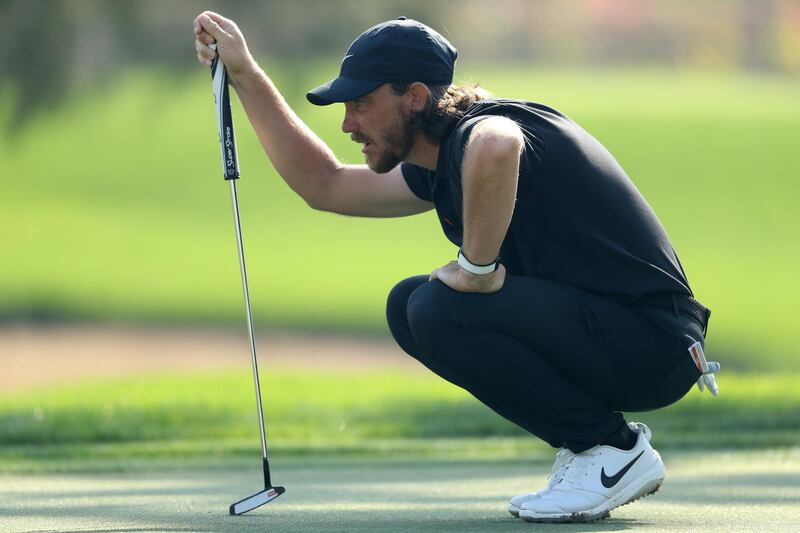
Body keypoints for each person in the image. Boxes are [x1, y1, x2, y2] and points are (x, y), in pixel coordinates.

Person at [193, 11, 718, 523]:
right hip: (618, 340)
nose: (349, 123)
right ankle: (597, 448)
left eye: (362, 104)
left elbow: (499, 144)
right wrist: (245, 75)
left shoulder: (477, 129)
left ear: (416, 98)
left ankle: (611, 451)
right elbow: (325, 185)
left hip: (653, 346)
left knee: (439, 306)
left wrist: (477, 270)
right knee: (409, 306)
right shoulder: (438, 158)